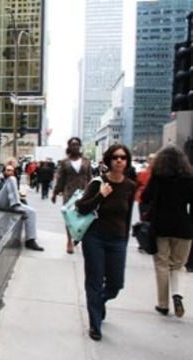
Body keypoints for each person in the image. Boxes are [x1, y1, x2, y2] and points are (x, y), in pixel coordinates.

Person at [75, 144, 136, 341]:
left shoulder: (129, 186)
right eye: (116, 157)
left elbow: (127, 217)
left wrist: (125, 240)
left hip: (117, 240)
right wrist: (101, 195)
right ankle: (95, 324)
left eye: (123, 157)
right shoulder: (98, 182)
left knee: (116, 284)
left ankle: (99, 302)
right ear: (109, 160)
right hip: (95, 238)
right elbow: (81, 208)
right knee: (94, 281)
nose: (119, 160)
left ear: (127, 161)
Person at [141, 144, 193, 318]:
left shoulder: (158, 177)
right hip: (184, 226)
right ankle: (177, 295)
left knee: (162, 264)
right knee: (178, 265)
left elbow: (145, 196)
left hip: (161, 226)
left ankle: (163, 304)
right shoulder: (189, 178)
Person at [51, 137, 93, 254]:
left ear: (80, 146)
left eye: (77, 144)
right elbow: (60, 179)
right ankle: (69, 241)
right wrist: (55, 193)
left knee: (84, 217)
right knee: (69, 218)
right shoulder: (64, 162)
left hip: (84, 193)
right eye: (72, 144)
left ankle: (78, 238)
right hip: (69, 193)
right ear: (69, 147)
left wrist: (93, 191)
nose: (75, 146)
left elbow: (90, 178)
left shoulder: (86, 161)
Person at [0, 165, 44, 251]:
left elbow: (13, 193)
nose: (9, 172)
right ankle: (16, 205)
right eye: (8, 170)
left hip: (11, 202)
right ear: (4, 171)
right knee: (12, 179)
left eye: (12, 171)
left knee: (31, 212)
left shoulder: (13, 180)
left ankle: (30, 240)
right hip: (0, 200)